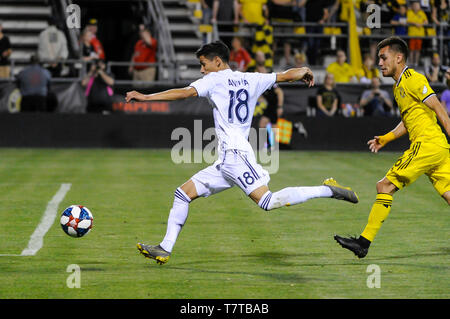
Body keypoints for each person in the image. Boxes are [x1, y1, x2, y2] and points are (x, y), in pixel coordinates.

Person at [125, 41, 359, 265]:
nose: (202, 70)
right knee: (182, 194)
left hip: (236, 157)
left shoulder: (214, 80)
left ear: (217, 62)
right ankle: (165, 248)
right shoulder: (251, 78)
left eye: (203, 64)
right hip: (226, 161)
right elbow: (286, 75)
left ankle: (328, 190)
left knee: (267, 201)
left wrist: (147, 96)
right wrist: (305, 70)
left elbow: (185, 93)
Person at [335, 36, 450, 258]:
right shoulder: (399, 87)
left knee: (384, 186)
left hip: (427, 145)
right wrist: (386, 138)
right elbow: (409, 121)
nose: (379, 63)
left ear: (398, 58)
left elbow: (439, 109)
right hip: (437, 148)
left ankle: (363, 243)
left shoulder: (413, 79)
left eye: (383, 57)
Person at [253, 50, 284, 149]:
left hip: (273, 104)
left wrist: (279, 106)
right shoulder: (254, 75)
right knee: (263, 124)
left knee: (272, 125)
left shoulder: (270, 75)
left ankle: (272, 145)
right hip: (267, 105)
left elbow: (279, 92)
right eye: (258, 56)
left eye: (262, 56)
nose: (260, 58)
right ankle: (269, 145)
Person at [407, 1, 428, 66]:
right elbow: (407, 20)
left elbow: (426, 22)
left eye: (417, 5)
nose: (416, 6)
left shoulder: (422, 13)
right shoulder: (409, 12)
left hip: (420, 35)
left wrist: (421, 24)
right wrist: (415, 24)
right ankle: (411, 63)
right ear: (412, 6)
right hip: (412, 34)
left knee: (418, 50)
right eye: (415, 5)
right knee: (412, 50)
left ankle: (416, 63)